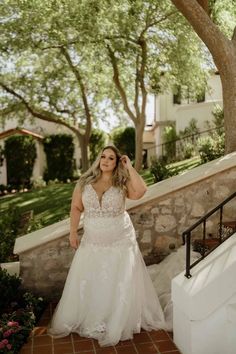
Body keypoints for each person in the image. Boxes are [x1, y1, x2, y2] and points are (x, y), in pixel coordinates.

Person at [47, 145, 166, 346]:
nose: (106, 161)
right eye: (103, 156)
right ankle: (95, 318)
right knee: (92, 279)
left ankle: (116, 318)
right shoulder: (85, 182)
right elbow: (76, 208)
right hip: (92, 242)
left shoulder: (122, 182)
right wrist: (73, 232)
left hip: (120, 240)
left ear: (117, 162)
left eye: (111, 158)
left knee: (117, 281)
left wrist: (129, 167)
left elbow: (141, 191)